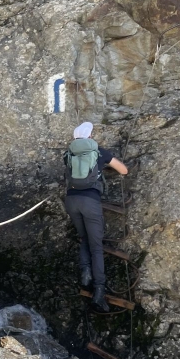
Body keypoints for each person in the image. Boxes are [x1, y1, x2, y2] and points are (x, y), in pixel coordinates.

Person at [63, 122, 129, 312]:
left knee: (84, 237)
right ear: (90, 136)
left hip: (71, 200)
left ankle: (86, 274)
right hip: (90, 201)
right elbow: (123, 170)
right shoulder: (99, 152)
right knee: (96, 247)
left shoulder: (68, 154)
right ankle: (99, 291)